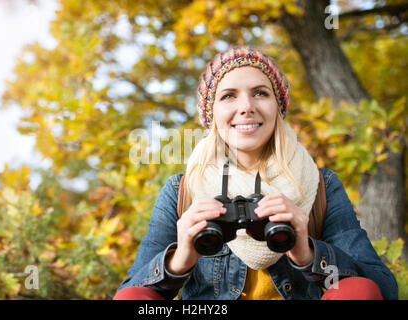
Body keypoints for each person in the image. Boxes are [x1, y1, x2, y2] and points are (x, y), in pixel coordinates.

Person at [114, 47, 398, 300]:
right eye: (228, 96)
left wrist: (307, 253)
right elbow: (131, 290)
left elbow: (380, 288)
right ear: (212, 115)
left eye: (261, 93)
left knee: (359, 290)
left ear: (278, 107)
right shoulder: (182, 190)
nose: (247, 107)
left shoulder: (321, 185)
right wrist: (180, 260)